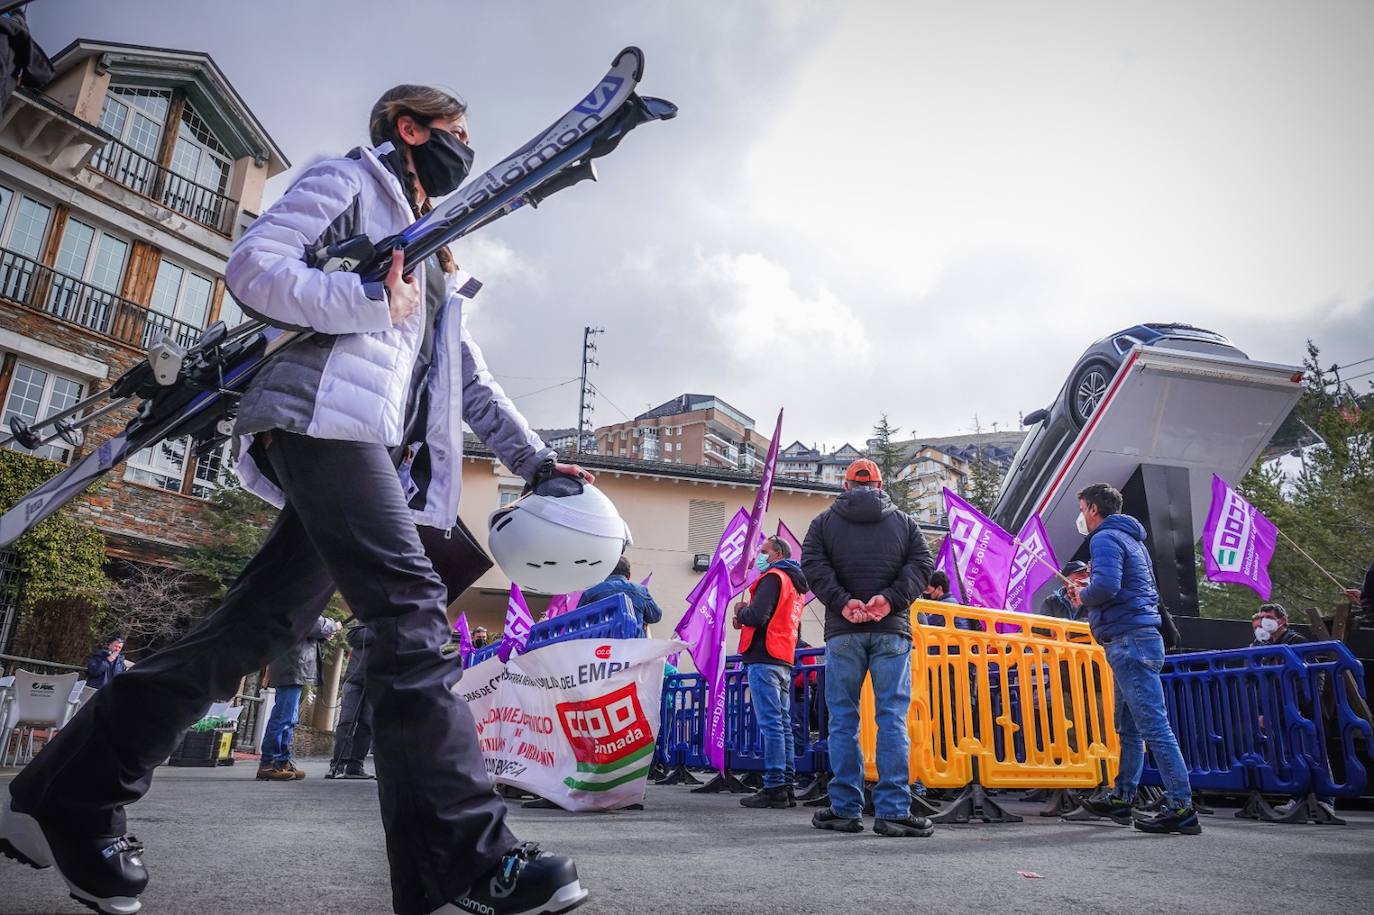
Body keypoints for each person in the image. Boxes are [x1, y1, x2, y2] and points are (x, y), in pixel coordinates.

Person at [2, 84, 594, 915]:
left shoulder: (434, 250)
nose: (464, 148)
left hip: (367, 440)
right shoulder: (346, 181)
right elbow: (253, 269)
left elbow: (469, 379)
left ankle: (71, 790)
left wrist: (538, 463)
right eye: (456, 131)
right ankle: (465, 856)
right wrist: (364, 300)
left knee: (253, 628)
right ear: (409, 127)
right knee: (409, 611)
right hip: (318, 418)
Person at [801, 458, 936, 838]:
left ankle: (845, 808)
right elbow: (922, 564)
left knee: (843, 720)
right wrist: (889, 600)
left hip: (843, 631)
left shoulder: (823, 523)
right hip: (892, 629)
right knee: (891, 718)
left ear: (845, 486)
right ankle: (894, 811)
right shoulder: (905, 523)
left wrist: (843, 602)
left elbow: (812, 565)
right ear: (880, 485)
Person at [1069, 483, 1200, 835]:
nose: (1081, 516)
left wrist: (1083, 594)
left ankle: (1181, 807)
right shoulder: (1132, 539)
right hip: (1137, 638)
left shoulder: (1104, 538)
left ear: (1094, 509)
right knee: (1128, 727)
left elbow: (1107, 587)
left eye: (1082, 509)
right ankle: (1122, 797)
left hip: (1129, 641)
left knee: (1154, 727)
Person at [732, 535, 808, 809]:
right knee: (783, 723)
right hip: (783, 656)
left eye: (763, 551)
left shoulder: (773, 577)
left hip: (764, 655)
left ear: (777, 554)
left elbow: (757, 616)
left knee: (771, 723)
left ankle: (775, 784)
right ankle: (785, 784)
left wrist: (742, 612)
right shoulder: (795, 584)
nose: (759, 557)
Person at [258, 616, 341, 781]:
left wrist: (324, 633)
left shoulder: (293, 603)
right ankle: (269, 762)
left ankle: (281, 761)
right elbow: (316, 625)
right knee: (283, 717)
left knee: (289, 718)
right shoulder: (302, 604)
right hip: (292, 666)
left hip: (291, 665)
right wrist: (333, 625)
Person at [327, 623, 376, 780]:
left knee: (367, 724)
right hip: (354, 680)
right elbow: (352, 636)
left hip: (376, 681)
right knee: (346, 721)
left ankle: (355, 766)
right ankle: (338, 765)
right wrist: (380, 630)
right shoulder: (367, 619)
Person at [576, 556, 663, 635]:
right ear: (629, 576)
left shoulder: (591, 591)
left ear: (607, 573)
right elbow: (655, 617)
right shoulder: (641, 590)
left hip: (600, 647)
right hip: (633, 646)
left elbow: (577, 621)